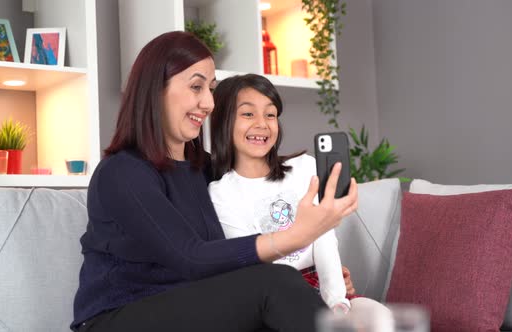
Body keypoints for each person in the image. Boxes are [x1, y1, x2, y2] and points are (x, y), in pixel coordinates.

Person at [70, 31, 358, 332]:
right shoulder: (122, 172)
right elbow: (190, 256)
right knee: (276, 284)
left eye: (211, 89)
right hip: (117, 318)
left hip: (194, 310)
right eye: (196, 87)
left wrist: (315, 283)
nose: (208, 103)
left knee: (282, 297)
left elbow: (237, 256)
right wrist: (297, 236)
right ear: (156, 89)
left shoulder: (206, 170)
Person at [208, 74, 394, 330]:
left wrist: (336, 297)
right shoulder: (221, 193)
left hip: (325, 285)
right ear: (222, 122)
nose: (262, 124)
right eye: (248, 114)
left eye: (271, 114)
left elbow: (325, 238)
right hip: (273, 297)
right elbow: (250, 261)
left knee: (381, 319)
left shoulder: (304, 169)